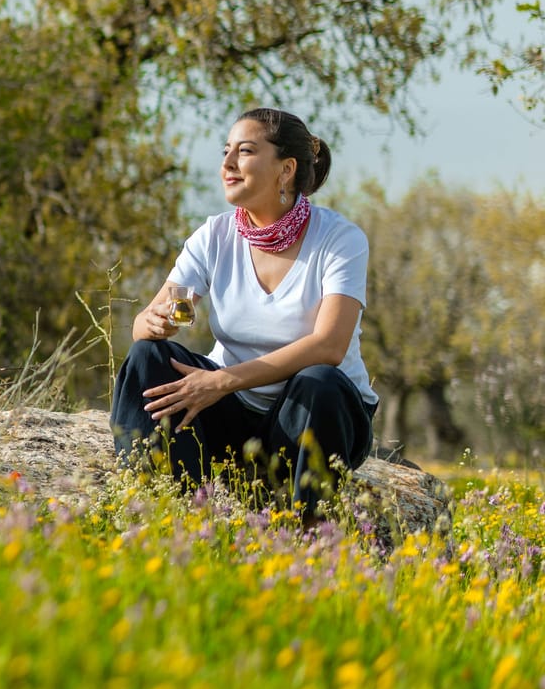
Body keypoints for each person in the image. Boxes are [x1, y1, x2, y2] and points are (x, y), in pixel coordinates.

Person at [110, 108, 380, 517]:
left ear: (285, 169)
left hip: (314, 418)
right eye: (226, 151)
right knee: (147, 356)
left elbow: (329, 346)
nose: (228, 163)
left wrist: (221, 381)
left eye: (246, 151)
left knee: (319, 381)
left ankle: (309, 531)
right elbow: (147, 319)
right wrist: (149, 324)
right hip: (232, 418)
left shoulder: (340, 240)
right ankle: (166, 509)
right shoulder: (213, 235)